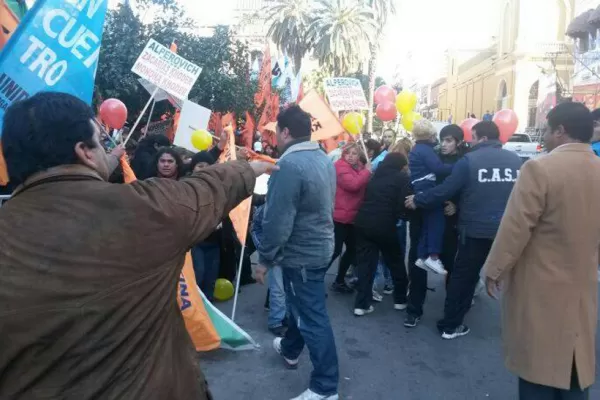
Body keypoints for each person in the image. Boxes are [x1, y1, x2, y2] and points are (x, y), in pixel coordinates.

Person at [0, 92, 274, 399]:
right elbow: (208, 190)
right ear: (84, 152)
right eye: (102, 141)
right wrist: (251, 169)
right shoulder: (143, 208)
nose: (109, 149)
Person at [484, 102, 600, 399]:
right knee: (575, 364)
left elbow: (515, 229)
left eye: (547, 130)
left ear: (561, 131)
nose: (544, 136)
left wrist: (494, 270)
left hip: (540, 286)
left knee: (538, 368)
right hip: (583, 286)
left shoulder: (540, 168)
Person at [405, 120, 522, 339]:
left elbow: (449, 189)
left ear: (482, 139)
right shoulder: (516, 160)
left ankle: (451, 322)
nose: (472, 142)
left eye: (474, 137)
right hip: (503, 229)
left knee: (462, 276)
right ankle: (423, 312)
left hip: (466, 228)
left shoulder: (468, 161)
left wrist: (425, 200)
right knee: (481, 275)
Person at [254, 105, 339, 400]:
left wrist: (264, 259)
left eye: (276, 131)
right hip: (320, 247)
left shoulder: (289, 166)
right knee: (300, 305)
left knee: (311, 316)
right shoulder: (322, 158)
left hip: (302, 253)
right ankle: (290, 348)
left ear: (286, 132)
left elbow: (278, 220)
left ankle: (325, 387)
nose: (275, 137)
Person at [404, 124, 465, 328]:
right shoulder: (430, 153)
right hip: (421, 217)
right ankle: (413, 310)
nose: (444, 144)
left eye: (449, 140)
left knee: (450, 266)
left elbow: (468, 190)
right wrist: (416, 198)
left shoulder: (463, 162)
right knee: (417, 263)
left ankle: (451, 315)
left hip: (447, 222)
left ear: (458, 142)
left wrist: (456, 205)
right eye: (443, 140)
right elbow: (414, 181)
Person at [352, 153, 411, 316]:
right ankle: (400, 300)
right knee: (395, 261)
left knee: (365, 265)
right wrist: (402, 216)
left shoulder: (374, 175)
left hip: (363, 221)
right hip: (385, 224)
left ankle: (361, 304)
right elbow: (403, 202)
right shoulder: (402, 178)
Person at [408, 119, 454, 275]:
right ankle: (433, 257)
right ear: (429, 136)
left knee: (427, 225)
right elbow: (438, 168)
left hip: (419, 187)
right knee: (436, 223)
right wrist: (457, 166)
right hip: (427, 187)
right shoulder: (425, 150)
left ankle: (423, 256)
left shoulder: (416, 149)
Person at [329, 143, 371, 293]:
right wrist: (367, 172)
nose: (351, 156)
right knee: (334, 251)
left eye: (355, 153)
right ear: (343, 154)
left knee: (352, 249)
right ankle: (313, 279)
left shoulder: (359, 167)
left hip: (352, 216)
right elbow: (353, 185)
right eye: (348, 153)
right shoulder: (340, 167)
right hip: (340, 217)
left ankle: (339, 280)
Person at [188, 150, 223, 300]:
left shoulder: (219, 186)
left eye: (206, 165)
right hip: (195, 241)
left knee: (210, 279)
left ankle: (207, 314)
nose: (203, 169)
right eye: (199, 165)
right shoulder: (186, 186)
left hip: (214, 241)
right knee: (198, 275)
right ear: (193, 168)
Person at [252, 203, 287, 337]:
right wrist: (263, 248)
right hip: (275, 256)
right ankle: (276, 321)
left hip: (290, 255)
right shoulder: (265, 209)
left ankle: (284, 316)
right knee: (278, 290)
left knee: (286, 289)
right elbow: (256, 228)